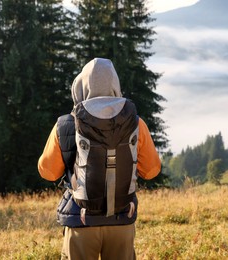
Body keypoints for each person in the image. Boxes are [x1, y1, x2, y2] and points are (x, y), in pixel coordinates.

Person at [38, 58, 161, 259]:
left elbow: (48, 172)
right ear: (115, 85)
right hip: (122, 220)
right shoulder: (136, 124)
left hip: (81, 221)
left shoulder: (66, 124)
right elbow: (152, 170)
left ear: (80, 86)